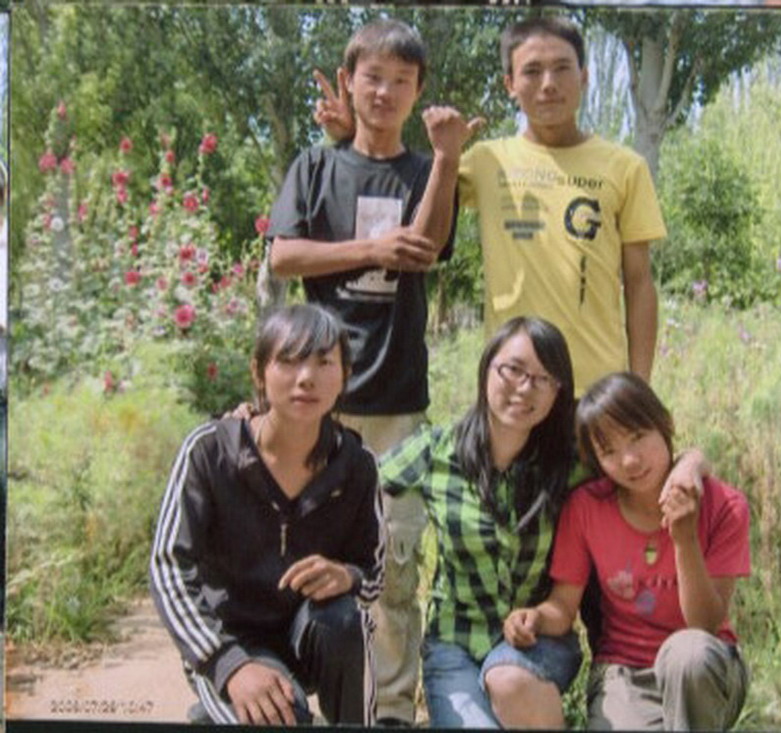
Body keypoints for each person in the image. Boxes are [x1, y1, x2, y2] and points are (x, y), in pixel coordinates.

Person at [267, 19, 482, 726]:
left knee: (392, 565)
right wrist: (369, 248)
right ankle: (292, 695)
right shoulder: (316, 166)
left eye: (401, 81)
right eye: (373, 77)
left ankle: (390, 708)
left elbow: (429, 246)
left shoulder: (426, 171)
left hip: (397, 400)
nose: (385, 91)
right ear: (349, 81)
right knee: (302, 554)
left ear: (418, 91)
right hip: (315, 404)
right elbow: (283, 256)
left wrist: (446, 158)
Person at [315, 15, 665, 397]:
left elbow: (639, 283)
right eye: (532, 71)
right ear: (510, 85)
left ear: (584, 76)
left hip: (598, 388)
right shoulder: (485, 161)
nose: (548, 84)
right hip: (512, 387)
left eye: (562, 68)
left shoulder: (625, 168)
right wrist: (356, 134)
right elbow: (406, 177)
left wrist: (640, 387)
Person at [150, 304, 385, 726]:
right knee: (281, 716)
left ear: (346, 375)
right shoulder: (209, 452)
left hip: (310, 636)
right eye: (289, 360)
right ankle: (223, 707)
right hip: (230, 639)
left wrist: (347, 576)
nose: (306, 377)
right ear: (259, 372)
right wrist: (227, 664)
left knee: (347, 619)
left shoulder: (356, 465)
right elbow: (167, 567)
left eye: (324, 362)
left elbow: (373, 575)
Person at [504, 372, 750, 730]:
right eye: (609, 452)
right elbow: (563, 606)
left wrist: (684, 539)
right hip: (625, 674)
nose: (630, 460)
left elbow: (706, 625)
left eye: (637, 437)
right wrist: (534, 618)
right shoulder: (586, 508)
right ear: (596, 460)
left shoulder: (724, 505)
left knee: (687, 654)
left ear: (664, 423)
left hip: (705, 672)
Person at [377, 316, 581, 729]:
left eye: (542, 379)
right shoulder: (437, 451)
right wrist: (255, 423)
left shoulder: (567, 464)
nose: (524, 388)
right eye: (513, 369)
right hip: (454, 644)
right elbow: (355, 479)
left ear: (558, 391)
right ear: (487, 367)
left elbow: (643, 469)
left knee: (508, 680)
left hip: (538, 642)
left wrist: (692, 464)